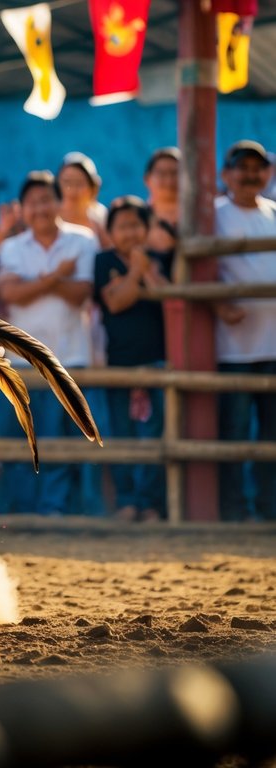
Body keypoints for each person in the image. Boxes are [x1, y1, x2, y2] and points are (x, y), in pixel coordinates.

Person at [0, 170, 99, 516]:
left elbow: (81, 293)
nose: (39, 208)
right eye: (32, 202)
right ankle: (22, 510)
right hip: (20, 360)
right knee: (21, 440)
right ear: (22, 208)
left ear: (58, 202)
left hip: (70, 357)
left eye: (45, 200)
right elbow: (11, 294)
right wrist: (57, 275)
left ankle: (55, 509)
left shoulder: (83, 240)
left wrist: (34, 283)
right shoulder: (11, 247)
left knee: (59, 440)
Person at [94, 196, 169, 523]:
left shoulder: (160, 259)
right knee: (120, 435)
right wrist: (138, 272)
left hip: (157, 363)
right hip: (119, 365)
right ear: (110, 232)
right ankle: (126, 502)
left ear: (147, 228)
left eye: (136, 225)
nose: (130, 233)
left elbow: (167, 296)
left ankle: (151, 504)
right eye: (122, 227)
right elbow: (116, 303)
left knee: (154, 436)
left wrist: (139, 274)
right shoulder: (103, 261)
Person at [214, 140, 276, 522]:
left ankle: (269, 507)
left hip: (273, 345)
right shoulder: (214, 215)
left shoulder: (274, 213)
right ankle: (233, 509)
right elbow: (201, 268)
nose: (251, 175)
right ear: (226, 174)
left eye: (257, 168)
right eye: (243, 168)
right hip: (233, 348)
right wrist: (219, 304)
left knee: (272, 433)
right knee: (233, 432)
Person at [58, 151, 110, 248]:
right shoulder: (49, 216)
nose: (73, 190)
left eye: (79, 183)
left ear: (93, 188)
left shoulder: (101, 217)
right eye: (67, 182)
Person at [143, 147, 182, 258]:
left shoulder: (201, 216)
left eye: (175, 173)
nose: (169, 180)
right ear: (147, 179)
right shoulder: (139, 218)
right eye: (162, 173)